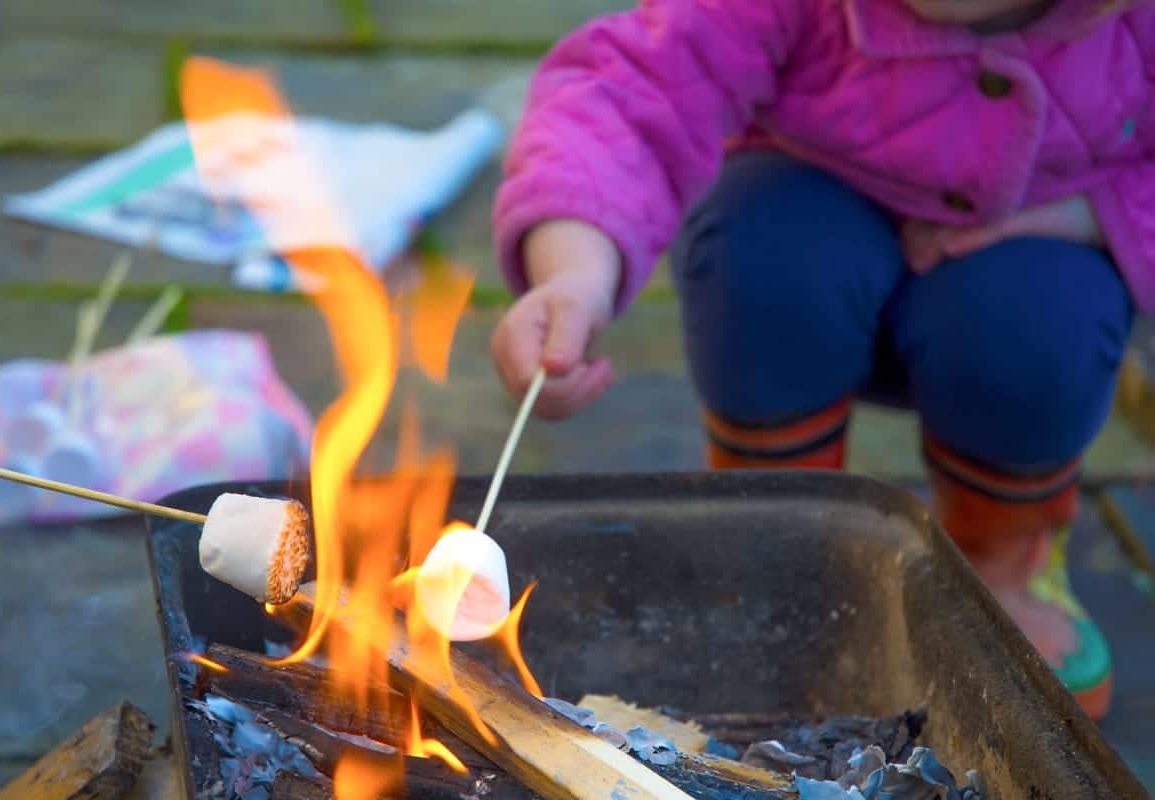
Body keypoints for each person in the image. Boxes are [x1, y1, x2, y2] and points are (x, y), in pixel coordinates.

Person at [488, 0, 1155, 721]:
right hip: (814, 225)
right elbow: (629, 89)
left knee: (1036, 322)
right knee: (760, 257)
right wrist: (574, 271)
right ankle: (771, 542)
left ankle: (999, 563)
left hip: (1032, 256)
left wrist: (1097, 216)